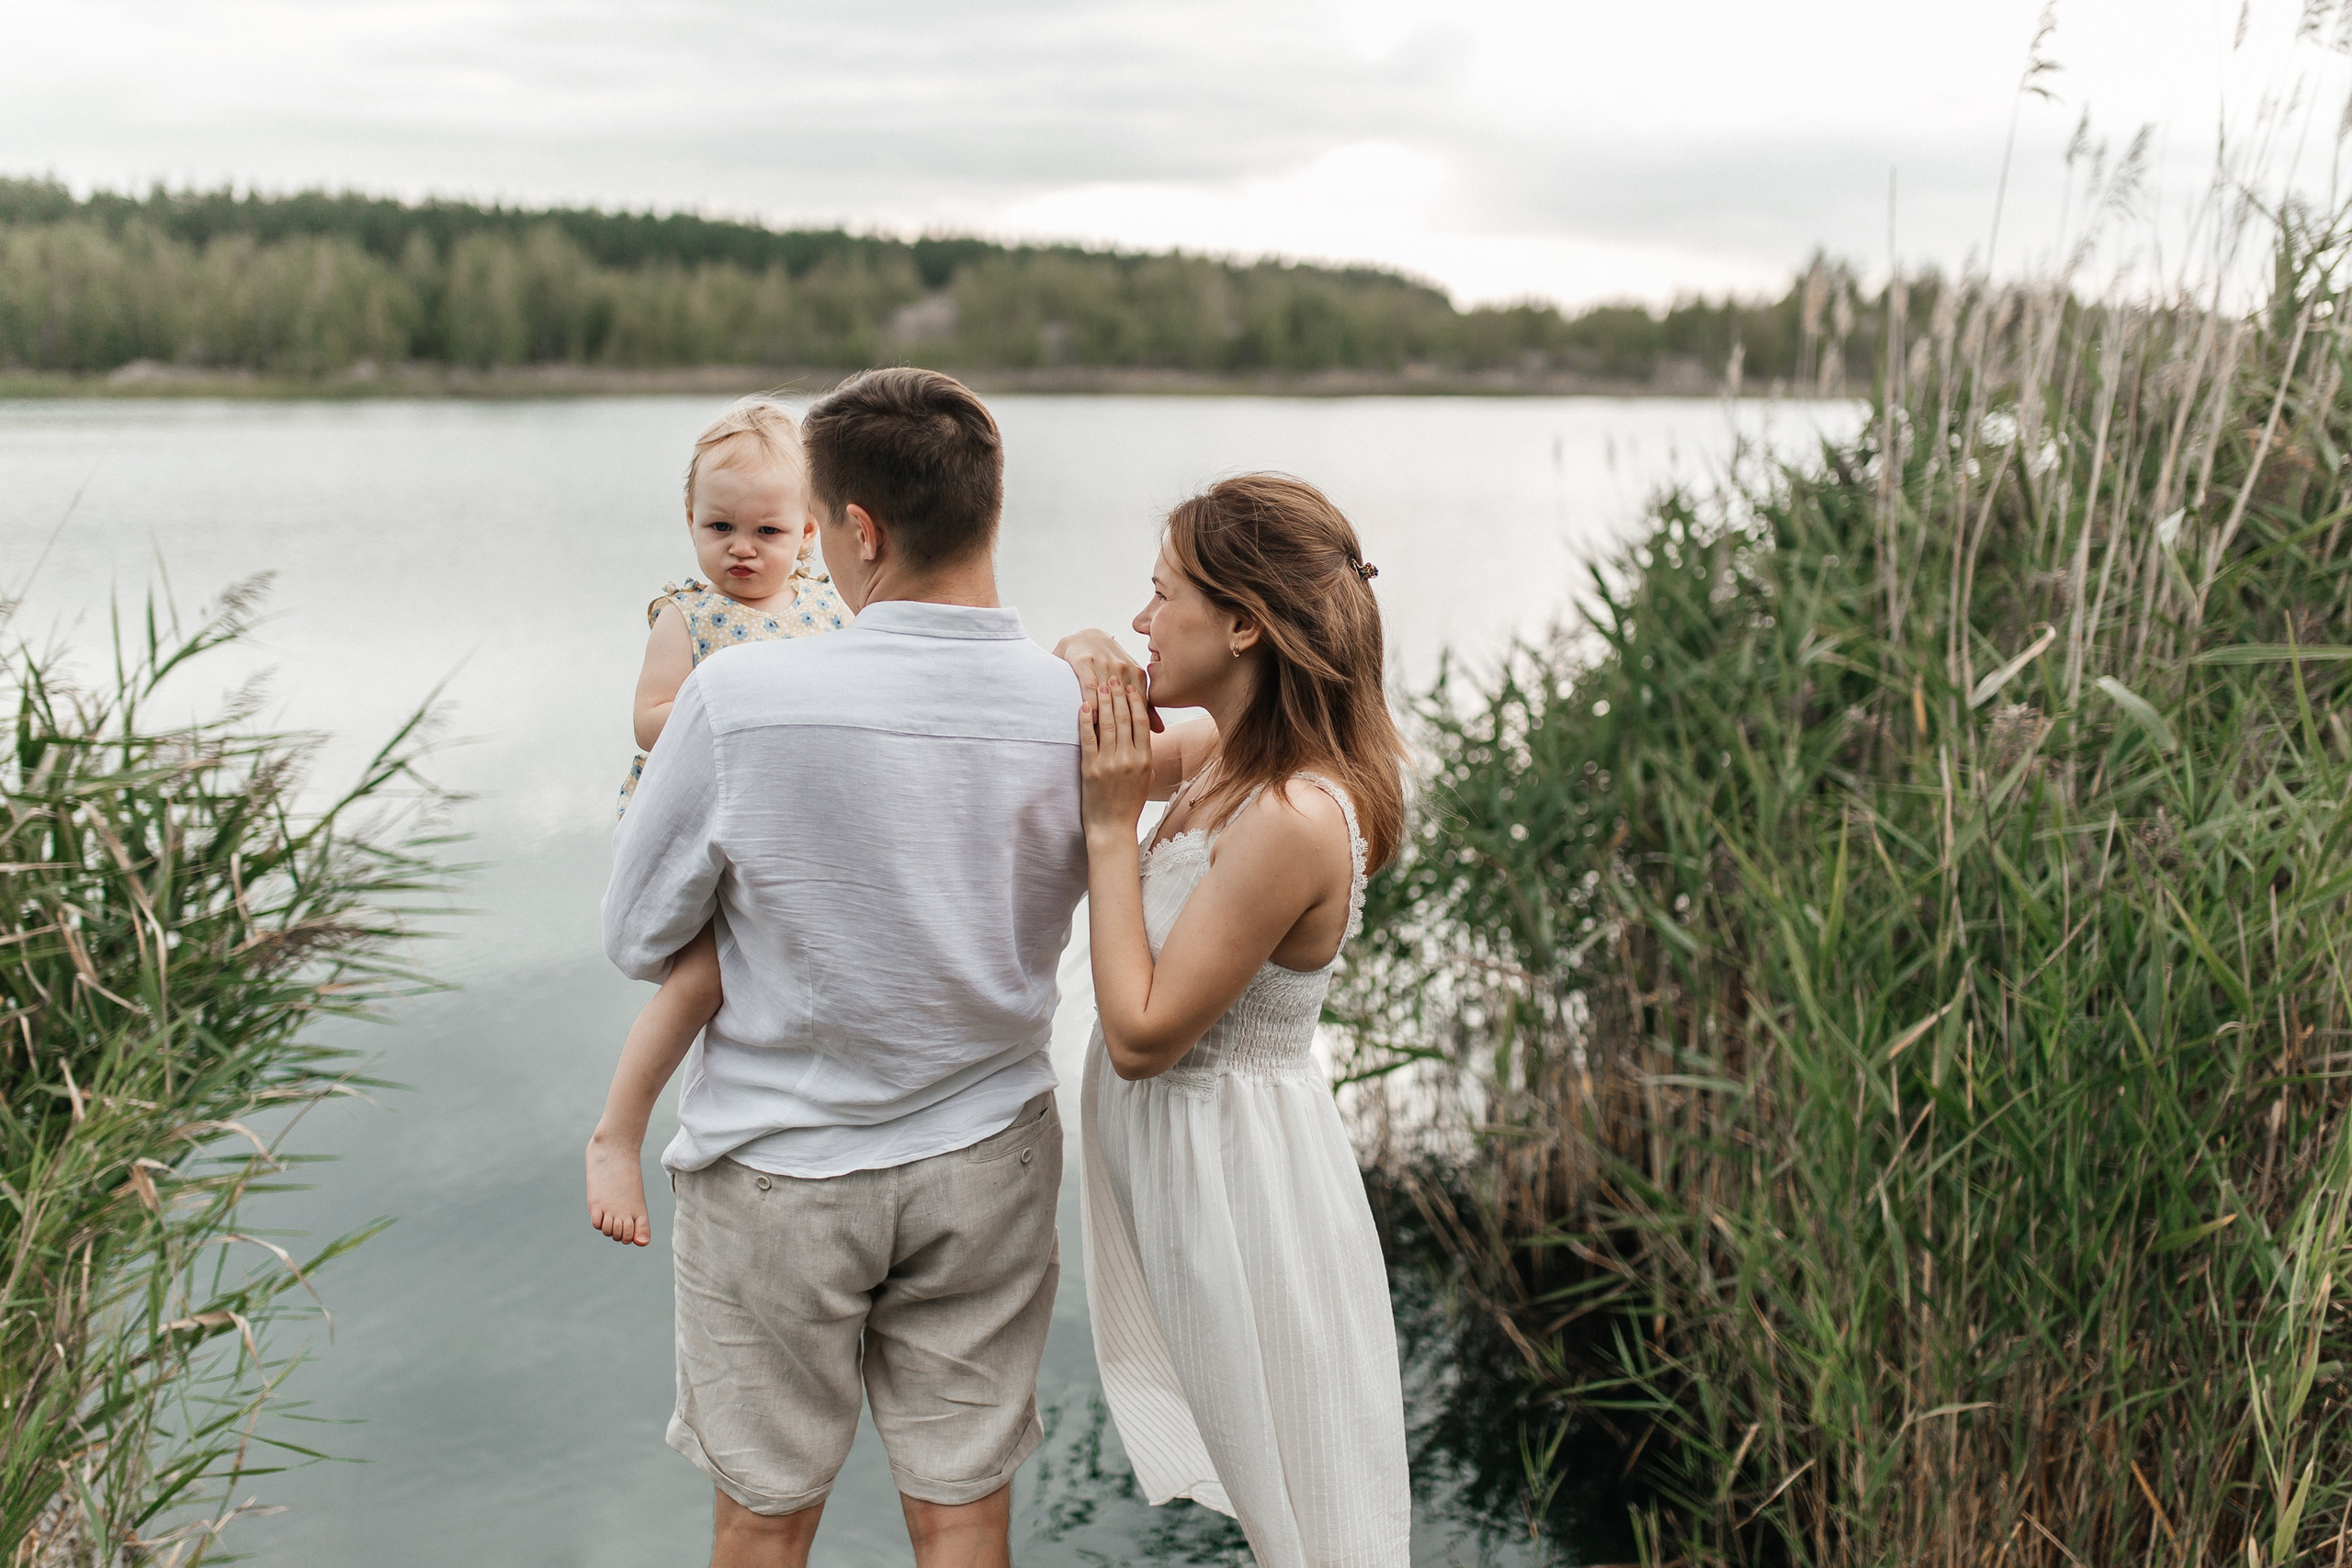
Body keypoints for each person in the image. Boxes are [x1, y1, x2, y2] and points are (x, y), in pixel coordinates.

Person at [603, 368, 1086, 1568]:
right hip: (990, 1155)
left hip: (781, 1165)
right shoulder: (1076, 702)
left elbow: (638, 934)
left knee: (765, 1516)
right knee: (965, 1508)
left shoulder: (740, 695)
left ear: (856, 532)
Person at [1059, 473, 1415, 1567]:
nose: (1140, 618)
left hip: (1241, 1192)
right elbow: (1096, 737)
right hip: (1190, 1173)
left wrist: (1114, 830)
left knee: (1306, 1509)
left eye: (1161, 594)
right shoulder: (1226, 757)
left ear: (1244, 624)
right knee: (1270, 1493)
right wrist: (1079, 662)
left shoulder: (1296, 814)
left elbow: (1143, 1034)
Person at [587, 398, 849, 1250]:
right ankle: (617, 1136)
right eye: (720, 525)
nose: (741, 548)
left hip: (785, 827)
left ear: (808, 532)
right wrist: (736, 712)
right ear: (691, 524)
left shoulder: (826, 610)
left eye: (767, 531)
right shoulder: (687, 615)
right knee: (701, 981)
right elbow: (648, 719)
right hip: (698, 823)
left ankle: (820, 1116)